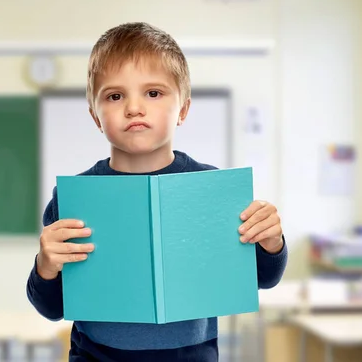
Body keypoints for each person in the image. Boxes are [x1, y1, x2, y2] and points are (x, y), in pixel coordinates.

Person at [26, 22, 287, 361]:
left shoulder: (212, 191)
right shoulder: (74, 198)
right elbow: (51, 307)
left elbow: (264, 279)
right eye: (115, 96)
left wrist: (271, 242)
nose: (134, 107)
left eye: (153, 93)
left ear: (183, 109)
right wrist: (45, 266)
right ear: (95, 116)